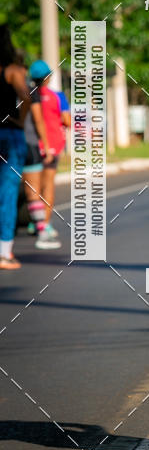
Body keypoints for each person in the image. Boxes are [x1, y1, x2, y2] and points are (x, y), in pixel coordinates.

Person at [0, 25, 31, 269]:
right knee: (8, 193)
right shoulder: (13, 71)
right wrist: (20, 120)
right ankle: (5, 252)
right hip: (10, 133)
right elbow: (27, 97)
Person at [30, 60, 71, 240]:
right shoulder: (58, 97)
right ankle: (44, 224)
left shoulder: (28, 96)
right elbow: (67, 121)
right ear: (49, 77)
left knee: (33, 187)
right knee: (48, 186)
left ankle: (34, 220)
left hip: (31, 145)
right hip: (52, 146)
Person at [21, 64, 60, 250]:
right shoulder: (47, 95)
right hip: (34, 146)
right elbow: (38, 121)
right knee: (38, 189)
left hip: (9, 143)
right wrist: (47, 146)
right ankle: (43, 229)